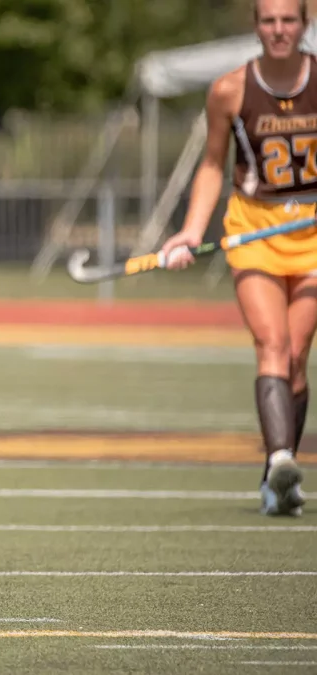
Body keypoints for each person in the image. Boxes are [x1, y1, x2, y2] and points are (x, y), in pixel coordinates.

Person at [161, 0, 317, 516]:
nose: (278, 30)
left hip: (313, 235)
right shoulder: (229, 89)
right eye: (268, 21)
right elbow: (211, 165)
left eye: (288, 20)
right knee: (271, 343)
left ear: (304, 24)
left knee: (296, 357)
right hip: (253, 230)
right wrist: (188, 231)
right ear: (256, 27)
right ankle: (278, 459)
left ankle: (280, 478)